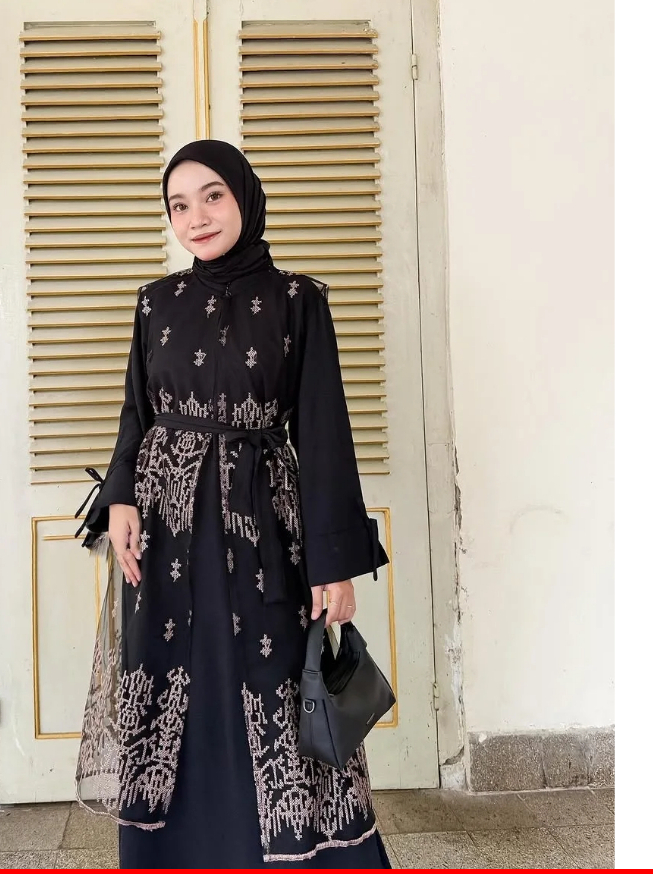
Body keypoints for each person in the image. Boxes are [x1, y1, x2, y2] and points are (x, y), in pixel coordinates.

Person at [74, 139, 392, 868]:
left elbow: (324, 433)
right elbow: (137, 412)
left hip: (264, 527)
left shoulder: (297, 301)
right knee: (169, 678)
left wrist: (334, 565)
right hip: (166, 529)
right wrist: (120, 499)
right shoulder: (156, 302)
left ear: (245, 196)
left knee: (273, 680)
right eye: (179, 205)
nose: (197, 217)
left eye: (212, 195)